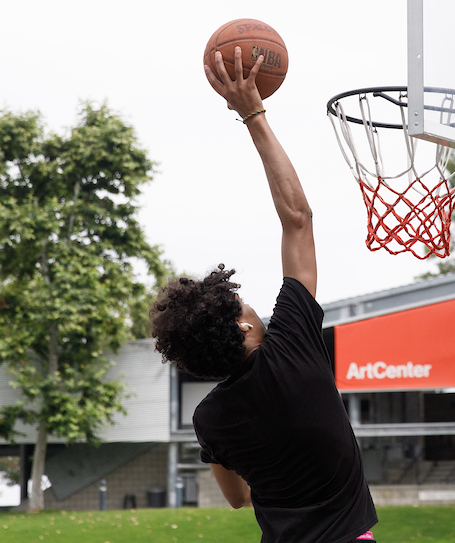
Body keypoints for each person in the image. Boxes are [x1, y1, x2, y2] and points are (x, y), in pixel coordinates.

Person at [149, 47, 378, 543]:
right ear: (243, 326)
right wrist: (253, 115)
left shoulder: (209, 418)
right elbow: (298, 220)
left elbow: (238, 499)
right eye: (243, 303)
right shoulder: (293, 348)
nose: (251, 305)